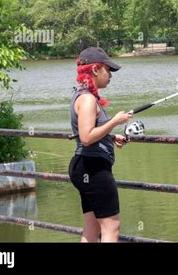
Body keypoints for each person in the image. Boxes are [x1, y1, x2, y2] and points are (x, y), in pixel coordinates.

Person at [68, 47, 132, 242]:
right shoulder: (87, 99)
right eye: (108, 69)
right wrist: (114, 121)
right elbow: (86, 138)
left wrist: (110, 137)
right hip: (94, 169)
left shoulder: (81, 95)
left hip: (84, 167)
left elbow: (87, 131)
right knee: (111, 228)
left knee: (91, 228)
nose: (110, 75)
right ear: (95, 69)